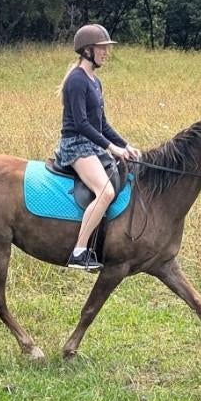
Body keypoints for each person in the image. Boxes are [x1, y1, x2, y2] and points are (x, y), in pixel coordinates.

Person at [54, 24, 141, 271]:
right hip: (75, 146)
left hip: (91, 145)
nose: (106, 53)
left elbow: (102, 124)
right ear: (88, 50)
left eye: (106, 48)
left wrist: (126, 146)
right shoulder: (76, 80)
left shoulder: (95, 81)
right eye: (102, 48)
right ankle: (79, 251)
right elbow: (81, 124)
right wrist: (112, 148)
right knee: (105, 192)